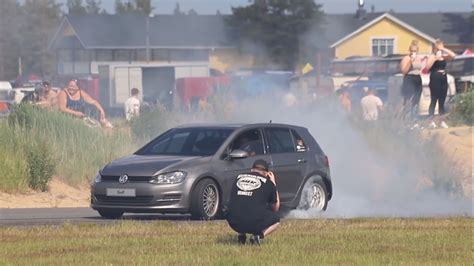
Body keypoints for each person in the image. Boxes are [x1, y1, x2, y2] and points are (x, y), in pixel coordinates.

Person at [226, 159, 280, 245]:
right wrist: (273, 183)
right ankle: (258, 236)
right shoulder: (268, 183)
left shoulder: (238, 177)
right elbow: (275, 207)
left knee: (243, 203)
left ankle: (241, 234)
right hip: (253, 223)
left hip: (233, 221)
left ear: (252, 170)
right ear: (267, 173)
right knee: (276, 220)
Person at [425, 39, 456, 129]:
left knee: (442, 100)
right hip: (435, 77)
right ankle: (431, 120)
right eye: (438, 47)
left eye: (440, 47)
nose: (439, 49)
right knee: (434, 99)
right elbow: (427, 67)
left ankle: (442, 121)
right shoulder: (432, 56)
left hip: (443, 77)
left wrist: (444, 49)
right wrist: (435, 58)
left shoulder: (444, 56)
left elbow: (453, 56)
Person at [399, 40, 423, 116]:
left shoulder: (419, 58)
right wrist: (410, 62)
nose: (413, 52)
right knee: (408, 99)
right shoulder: (406, 58)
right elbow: (404, 71)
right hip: (409, 78)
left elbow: (419, 69)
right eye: (412, 51)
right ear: (409, 50)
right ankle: (406, 118)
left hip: (417, 78)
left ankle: (414, 118)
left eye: (415, 51)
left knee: (416, 100)